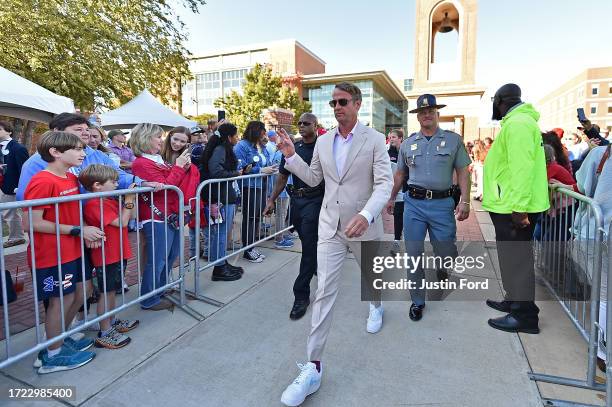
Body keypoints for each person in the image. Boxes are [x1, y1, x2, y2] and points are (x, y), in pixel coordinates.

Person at [275, 82, 392, 406]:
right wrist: (290, 156)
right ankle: (313, 367)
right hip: (330, 227)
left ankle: (376, 305)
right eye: (333, 102)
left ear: (356, 103)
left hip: (362, 225)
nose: (337, 106)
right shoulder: (324, 141)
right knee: (324, 290)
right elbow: (313, 179)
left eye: (342, 101)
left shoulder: (375, 140)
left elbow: (383, 185)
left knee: (372, 278)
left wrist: (367, 215)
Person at [385, 94, 471, 322]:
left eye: (430, 110)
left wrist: (465, 200)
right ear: (418, 116)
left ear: (437, 113)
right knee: (413, 255)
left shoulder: (454, 140)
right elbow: (400, 174)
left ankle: (443, 267)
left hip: (443, 205)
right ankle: (417, 301)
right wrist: (392, 198)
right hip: (414, 205)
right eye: (422, 111)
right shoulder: (407, 143)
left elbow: (463, 171)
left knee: (446, 252)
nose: (426, 114)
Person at [24, 131, 103, 373]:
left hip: (72, 249)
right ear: (55, 152)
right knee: (60, 300)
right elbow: (32, 223)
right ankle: (51, 355)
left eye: (83, 149)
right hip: (51, 254)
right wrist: (78, 231)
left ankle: (57, 339)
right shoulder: (43, 180)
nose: (83, 153)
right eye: (77, 149)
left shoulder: (70, 178)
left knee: (81, 293)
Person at [483, 83, 549, 334]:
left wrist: (519, 209)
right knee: (511, 259)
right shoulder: (517, 122)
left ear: (501, 100)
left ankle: (525, 317)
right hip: (509, 205)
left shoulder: (519, 124)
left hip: (514, 207)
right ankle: (514, 301)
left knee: (518, 261)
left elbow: (521, 168)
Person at [131, 123, 200, 311]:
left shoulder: (156, 159)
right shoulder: (141, 162)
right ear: (146, 138)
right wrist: (178, 167)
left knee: (170, 256)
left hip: (169, 214)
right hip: (155, 215)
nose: (162, 140)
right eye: (157, 137)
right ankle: (149, 298)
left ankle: (159, 290)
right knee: (158, 258)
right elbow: (165, 187)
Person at [17, 113, 161, 200]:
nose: (86, 133)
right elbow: (26, 199)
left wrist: (142, 183)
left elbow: (117, 175)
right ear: (57, 131)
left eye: (87, 129)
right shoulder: (36, 162)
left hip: (94, 224)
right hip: (59, 234)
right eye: (79, 130)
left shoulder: (97, 155)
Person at [264, 113, 323, 320]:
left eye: (306, 123)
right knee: (309, 244)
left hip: (315, 202)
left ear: (316, 126)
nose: (301, 126)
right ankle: (315, 265)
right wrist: (271, 199)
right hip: (296, 203)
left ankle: (301, 295)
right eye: (299, 123)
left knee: (307, 248)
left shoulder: (322, 148)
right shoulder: (293, 147)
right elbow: (282, 176)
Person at [79, 164, 139, 349]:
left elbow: (130, 216)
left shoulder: (108, 200)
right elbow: (122, 222)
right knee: (107, 292)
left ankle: (111, 322)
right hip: (107, 255)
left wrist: (129, 201)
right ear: (97, 185)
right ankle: (105, 331)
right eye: (112, 181)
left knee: (113, 290)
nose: (116, 183)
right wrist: (128, 200)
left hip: (118, 252)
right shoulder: (94, 203)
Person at [199, 123, 244, 281]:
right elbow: (216, 171)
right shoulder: (220, 150)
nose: (237, 138)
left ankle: (222, 263)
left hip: (225, 196)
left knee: (223, 232)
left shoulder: (224, 149)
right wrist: (236, 173)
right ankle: (219, 268)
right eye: (236, 135)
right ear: (229, 137)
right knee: (221, 232)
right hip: (220, 198)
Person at [233, 120, 275, 263]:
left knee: (257, 217)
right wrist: (261, 170)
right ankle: (247, 249)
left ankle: (251, 246)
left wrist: (270, 167)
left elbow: (266, 161)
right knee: (250, 217)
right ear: (256, 131)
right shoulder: (242, 145)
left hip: (261, 185)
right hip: (249, 186)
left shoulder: (260, 146)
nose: (264, 135)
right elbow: (241, 167)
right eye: (262, 132)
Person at [0, 121, 29, 248]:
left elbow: (23, 170)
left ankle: (17, 237)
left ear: (9, 131)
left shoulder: (18, 148)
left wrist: (20, 188)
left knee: (10, 213)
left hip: (10, 186)